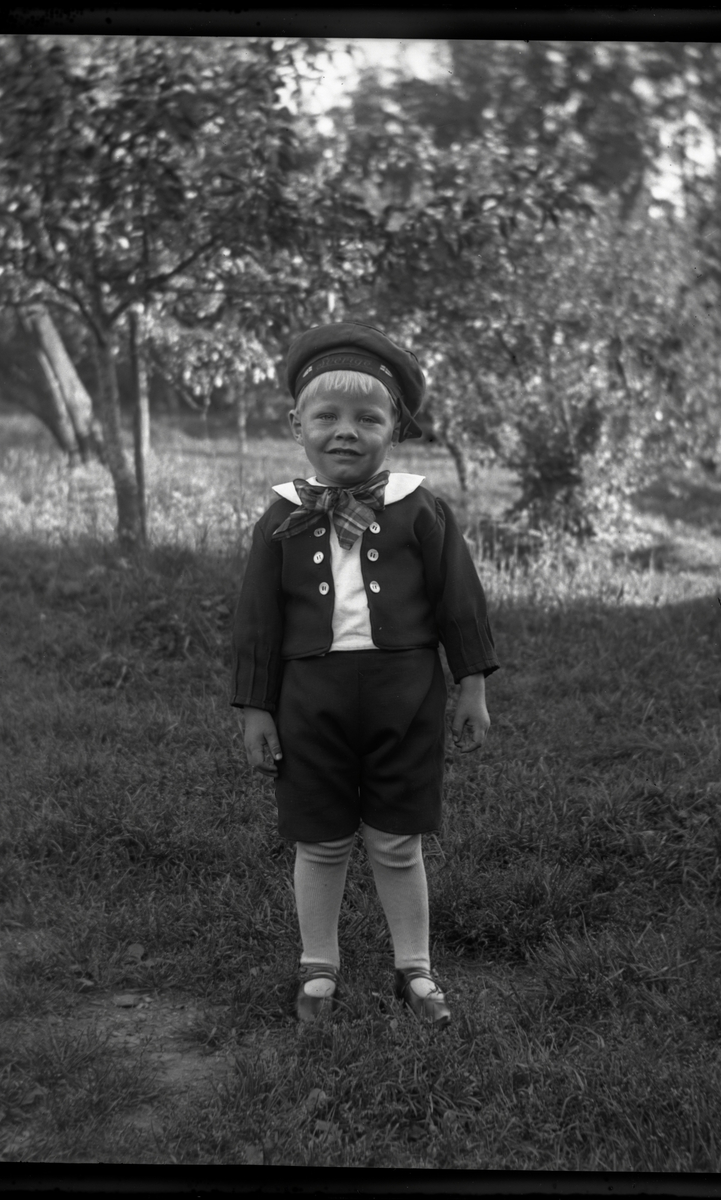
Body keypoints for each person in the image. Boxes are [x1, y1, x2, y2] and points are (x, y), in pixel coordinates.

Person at [231, 322, 498, 1028]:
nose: (345, 431)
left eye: (367, 418)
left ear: (395, 429)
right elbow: (258, 620)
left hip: (405, 696)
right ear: (298, 426)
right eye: (327, 416)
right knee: (319, 839)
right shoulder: (281, 517)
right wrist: (256, 708)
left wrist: (471, 684)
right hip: (308, 702)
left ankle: (416, 969)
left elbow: (460, 601)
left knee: (396, 839)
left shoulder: (422, 509)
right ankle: (318, 968)